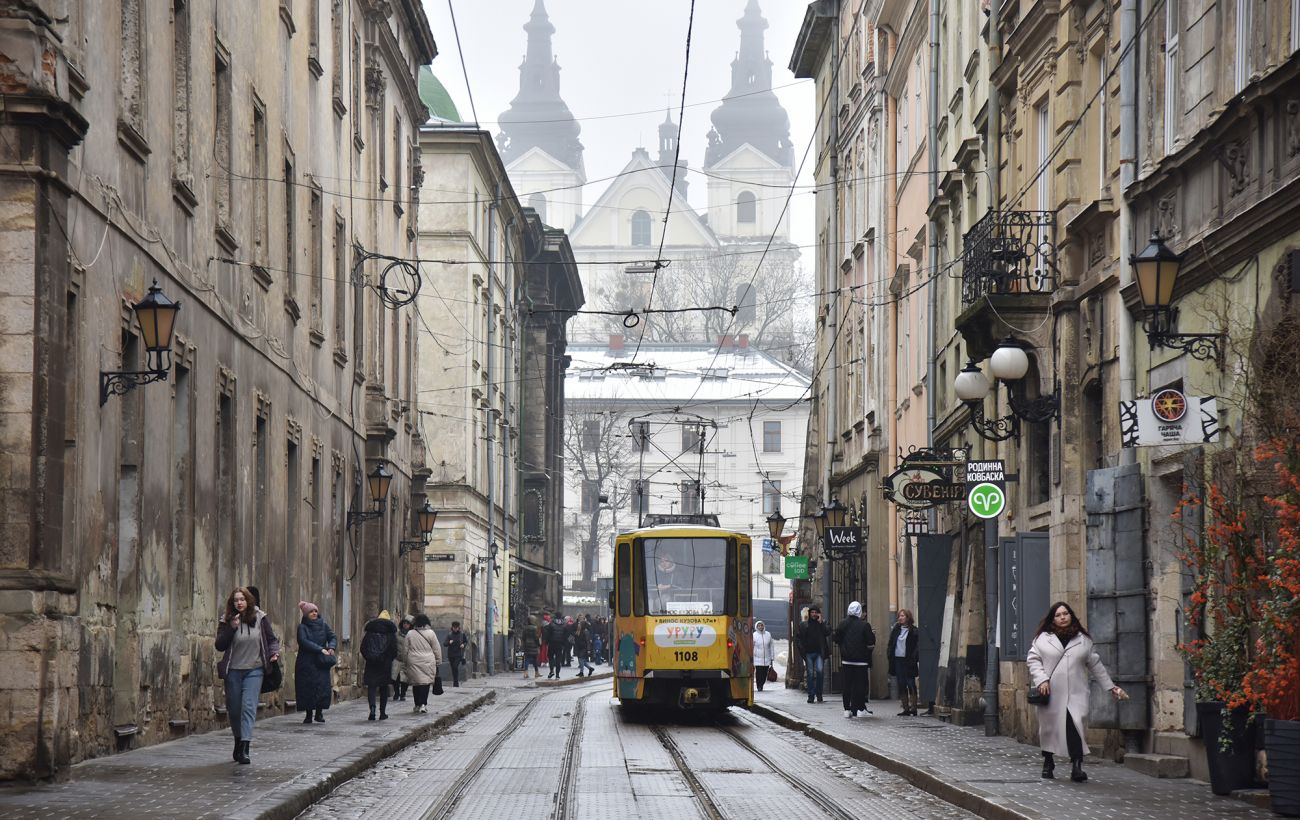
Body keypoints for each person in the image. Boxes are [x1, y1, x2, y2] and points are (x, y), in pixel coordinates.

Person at [1027, 601, 1127, 782]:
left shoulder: (1083, 640)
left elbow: (1096, 665)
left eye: (1065, 613)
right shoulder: (1042, 639)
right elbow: (1033, 660)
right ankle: (1048, 762)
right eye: (1058, 615)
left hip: (1076, 692)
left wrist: (1110, 687)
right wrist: (1041, 679)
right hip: (1051, 692)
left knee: (1075, 727)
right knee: (1050, 730)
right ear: (1053, 619)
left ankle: (1077, 766)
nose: (1062, 617)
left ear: (1071, 615)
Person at [215, 587, 280, 765]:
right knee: (235, 710)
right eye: (236, 600)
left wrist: (274, 653)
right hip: (233, 670)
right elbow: (219, 645)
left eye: (242, 599)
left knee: (248, 707)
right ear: (232, 603)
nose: (239, 603)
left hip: (255, 669)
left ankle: (245, 747)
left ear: (249, 601)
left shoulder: (260, 617)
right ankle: (238, 740)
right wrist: (231, 628)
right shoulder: (227, 620)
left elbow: (271, 640)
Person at [294, 601, 336, 724]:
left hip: (321, 662)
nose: (314, 613)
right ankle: (308, 714)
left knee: (322, 687)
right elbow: (303, 641)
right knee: (307, 688)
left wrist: (331, 647)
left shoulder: (323, 625)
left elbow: (332, 636)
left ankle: (319, 713)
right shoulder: (302, 627)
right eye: (311, 611)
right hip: (306, 662)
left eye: (315, 611)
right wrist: (320, 649)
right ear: (306, 614)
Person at [832, 600, 875, 718]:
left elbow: (835, 638)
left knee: (847, 684)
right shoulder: (864, 625)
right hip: (861, 660)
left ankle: (847, 709)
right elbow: (870, 642)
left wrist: (844, 646)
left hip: (847, 660)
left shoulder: (842, 624)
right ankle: (860, 709)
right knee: (860, 685)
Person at [360, 609, 399, 720]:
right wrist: (388, 659)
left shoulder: (370, 632)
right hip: (385, 664)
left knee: (372, 687)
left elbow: (363, 648)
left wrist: (369, 658)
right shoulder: (390, 633)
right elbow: (394, 650)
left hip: (371, 663)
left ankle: (372, 709)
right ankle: (383, 712)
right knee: (384, 688)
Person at [403, 614, 443, 714]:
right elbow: (436, 649)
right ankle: (423, 704)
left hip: (413, 661)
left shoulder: (410, 633)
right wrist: (438, 661)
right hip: (428, 661)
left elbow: (405, 649)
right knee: (425, 683)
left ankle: (417, 704)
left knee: (416, 683)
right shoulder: (431, 633)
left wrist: (405, 661)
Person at [887, 609, 920, 717]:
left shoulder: (914, 631)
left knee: (910, 683)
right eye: (899, 616)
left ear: (908, 617)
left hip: (909, 660)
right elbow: (891, 643)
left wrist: (914, 658)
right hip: (898, 660)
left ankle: (914, 708)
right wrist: (889, 654)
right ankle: (905, 708)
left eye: (903, 616)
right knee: (901, 684)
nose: (900, 618)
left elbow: (917, 647)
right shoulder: (896, 629)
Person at [797, 605, 830, 704]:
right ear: (809, 613)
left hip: (819, 652)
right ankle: (811, 695)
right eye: (812, 612)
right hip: (808, 653)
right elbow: (798, 638)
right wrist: (802, 651)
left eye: (816, 612)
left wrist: (821, 623)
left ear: (818, 614)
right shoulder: (804, 625)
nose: (814, 614)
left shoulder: (823, 623)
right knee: (810, 675)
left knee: (820, 672)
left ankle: (819, 694)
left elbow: (828, 632)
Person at [393, 617, 413, 701]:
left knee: (405, 679)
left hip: (407, 660)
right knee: (395, 678)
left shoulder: (412, 635)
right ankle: (396, 692)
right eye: (404, 623)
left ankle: (403, 693)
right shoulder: (397, 634)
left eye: (408, 623)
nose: (405, 625)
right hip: (397, 658)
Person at [752, 620, 776, 691]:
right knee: (759, 672)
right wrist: (752, 656)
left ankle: (762, 684)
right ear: (756, 627)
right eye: (759, 626)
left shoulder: (768, 634)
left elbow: (771, 646)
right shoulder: (754, 635)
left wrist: (772, 657)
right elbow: (751, 646)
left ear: (764, 626)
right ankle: (759, 686)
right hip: (757, 658)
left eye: (761, 625)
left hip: (767, 658)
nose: (760, 627)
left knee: (765, 673)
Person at [445, 621, 468, 686]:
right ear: (452, 628)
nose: (455, 629)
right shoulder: (449, 635)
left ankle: (456, 682)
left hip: (459, 654)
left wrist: (463, 644)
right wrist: (449, 642)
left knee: (455, 666)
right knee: (453, 668)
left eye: (456, 627)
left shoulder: (462, 634)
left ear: (458, 628)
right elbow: (445, 644)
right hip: (451, 654)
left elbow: (466, 641)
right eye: (454, 627)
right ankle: (455, 681)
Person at [545, 612, 567, 679]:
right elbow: (566, 635)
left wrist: (547, 642)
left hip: (552, 643)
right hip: (560, 644)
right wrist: (564, 643)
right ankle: (557, 674)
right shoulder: (564, 624)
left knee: (551, 657)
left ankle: (551, 671)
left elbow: (548, 634)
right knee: (558, 659)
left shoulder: (551, 623)